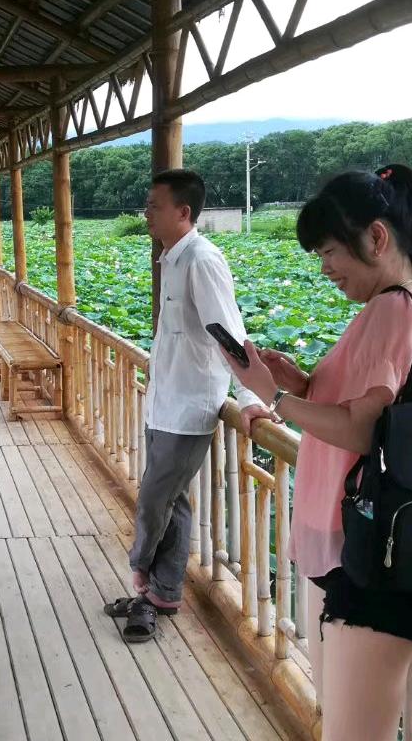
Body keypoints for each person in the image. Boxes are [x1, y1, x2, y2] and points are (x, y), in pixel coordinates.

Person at [219, 165, 412, 741]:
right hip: (368, 545)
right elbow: (365, 410)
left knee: (352, 734)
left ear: (376, 237)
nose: (324, 268)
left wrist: (270, 394)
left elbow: (357, 431)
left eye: (329, 252)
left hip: (376, 552)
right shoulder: (406, 304)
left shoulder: (395, 308)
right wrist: (300, 385)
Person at [104, 169, 265, 643]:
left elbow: (229, 333)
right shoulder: (171, 258)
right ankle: (163, 594)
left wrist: (251, 397)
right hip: (164, 400)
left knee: (156, 495)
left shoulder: (201, 260)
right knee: (172, 501)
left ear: (183, 212)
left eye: (154, 206)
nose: (147, 213)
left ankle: (141, 573)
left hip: (192, 406)